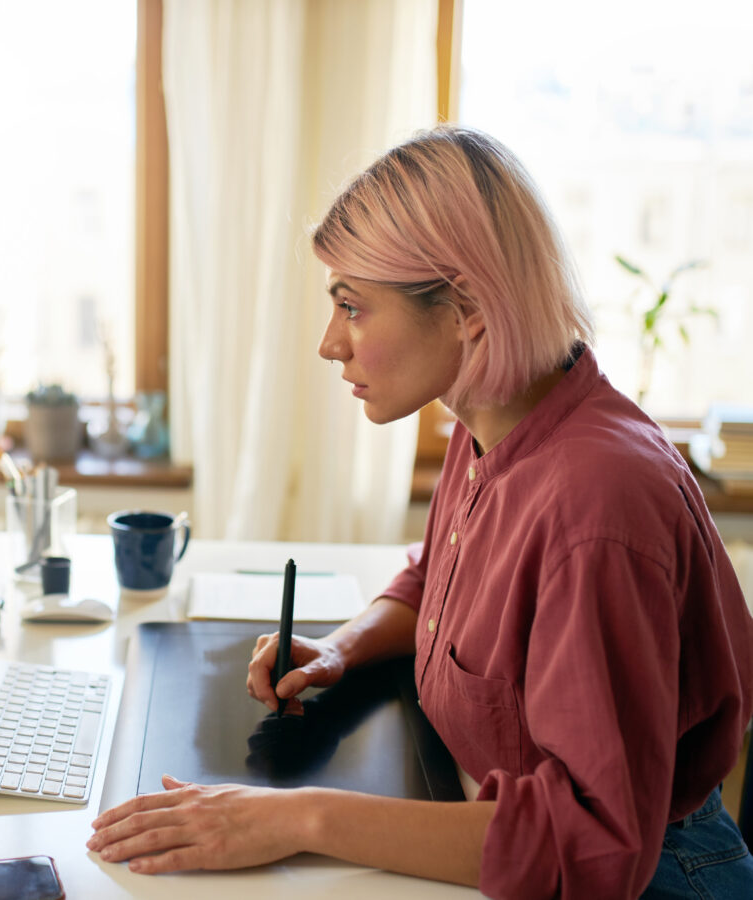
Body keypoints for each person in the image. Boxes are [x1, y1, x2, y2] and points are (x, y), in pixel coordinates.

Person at [87, 125, 753, 898]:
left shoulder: (596, 504)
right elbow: (437, 577)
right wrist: (341, 648)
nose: (330, 343)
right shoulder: (500, 419)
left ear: (466, 306)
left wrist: (291, 820)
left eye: (352, 307)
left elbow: (595, 846)